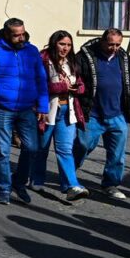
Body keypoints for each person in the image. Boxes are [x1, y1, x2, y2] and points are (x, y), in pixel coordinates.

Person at [0, 18, 49, 205]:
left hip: (27, 108)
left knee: (32, 148)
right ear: (6, 34)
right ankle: (3, 188)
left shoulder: (31, 51)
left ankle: (19, 182)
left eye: (23, 33)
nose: (21, 38)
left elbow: (41, 79)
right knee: (3, 151)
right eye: (17, 35)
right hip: (2, 108)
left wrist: (43, 105)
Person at [74, 28, 130, 199]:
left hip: (117, 115)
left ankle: (110, 184)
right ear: (102, 41)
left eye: (118, 45)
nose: (114, 48)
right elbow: (76, 80)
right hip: (92, 114)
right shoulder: (85, 57)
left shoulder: (125, 59)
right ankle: (69, 174)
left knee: (117, 154)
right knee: (83, 146)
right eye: (111, 44)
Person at [35, 31, 90, 201]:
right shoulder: (43, 59)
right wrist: (62, 87)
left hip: (68, 111)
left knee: (65, 150)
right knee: (41, 149)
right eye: (62, 44)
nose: (65, 48)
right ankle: (36, 180)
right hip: (47, 111)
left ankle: (71, 186)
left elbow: (80, 83)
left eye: (68, 45)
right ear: (54, 43)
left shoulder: (71, 61)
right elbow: (39, 85)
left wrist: (78, 88)